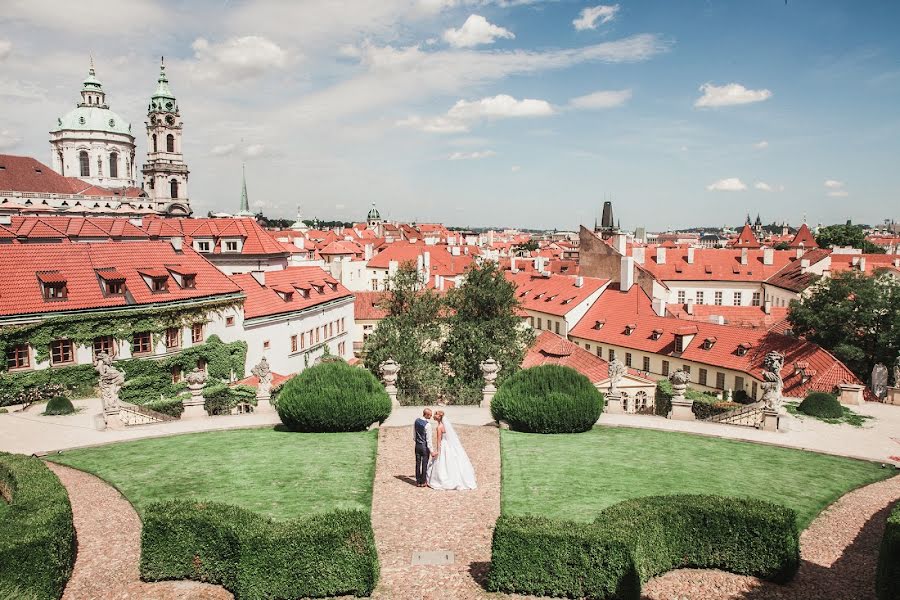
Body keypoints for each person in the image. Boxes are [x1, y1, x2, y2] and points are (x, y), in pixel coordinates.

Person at [427, 410, 477, 490]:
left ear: (438, 418)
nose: (434, 417)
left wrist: (438, 451)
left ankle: (441, 480)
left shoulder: (439, 427)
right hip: (449, 445)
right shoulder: (446, 426)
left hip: (443, 445)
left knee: (442, 462)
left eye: (435, 416)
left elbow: (438, 440)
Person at [413, 408, 434, 487]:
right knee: (424, 464)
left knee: (418, 463)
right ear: (426, 414)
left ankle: (418, 481)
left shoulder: (416, 421)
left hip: (417, 445)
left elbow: (414, 434)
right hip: (424, 446)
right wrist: (431, 451)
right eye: (430, 415)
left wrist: (416, 441)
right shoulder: (428, 425)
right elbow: (429, 440)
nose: (431, 417)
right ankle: (423, 481)